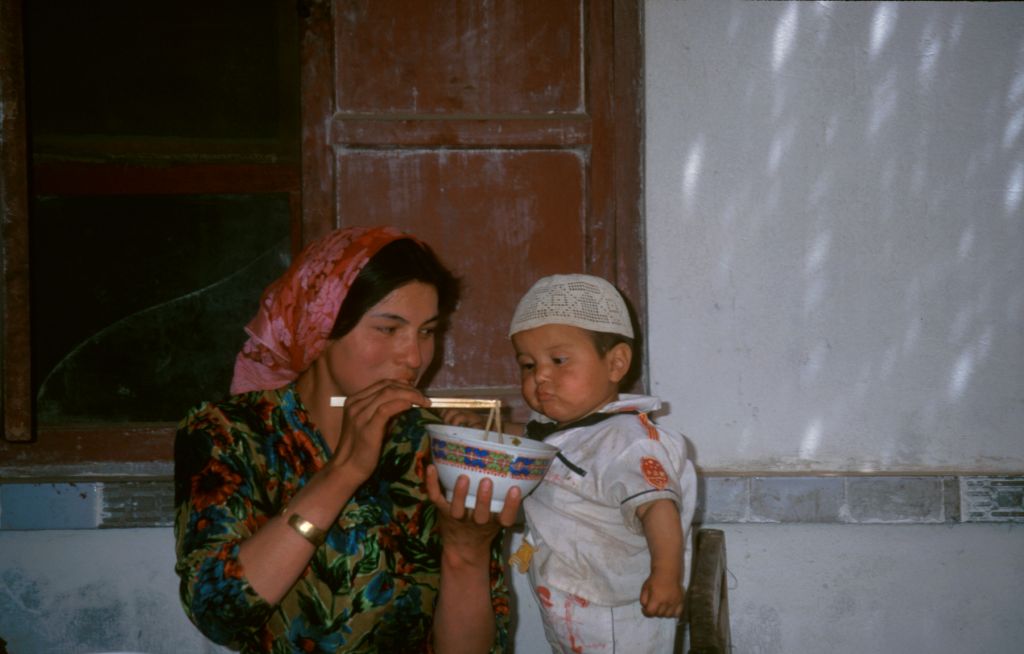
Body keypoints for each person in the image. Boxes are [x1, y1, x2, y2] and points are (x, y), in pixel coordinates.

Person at [173, 225, 521, 653]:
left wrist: (466, 553)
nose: (413, 358)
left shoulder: (436, 447)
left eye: (427, 332)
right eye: (388, 329)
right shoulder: (232, 434)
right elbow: (217, 613)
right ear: (320, 326)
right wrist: (344, 471)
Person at [503, 273, 697, 653]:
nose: (541, 375)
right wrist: (480, 427)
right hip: (573, 596)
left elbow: (658, 507)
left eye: (559, 360)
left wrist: (667, 576)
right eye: (528, 364)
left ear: (616, 364)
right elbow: (524, 441)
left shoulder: (626, 439)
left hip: (619, 608)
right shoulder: (565, 430)